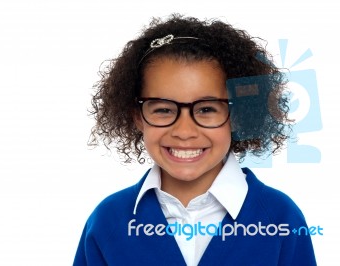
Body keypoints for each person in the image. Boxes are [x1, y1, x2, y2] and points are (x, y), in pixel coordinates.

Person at [73, 14, 317, 266]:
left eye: (207, 109)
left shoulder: (281, 219)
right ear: (137, 116)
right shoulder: (107, 222)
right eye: (164, 109)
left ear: (238, 115)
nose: (184, 131)